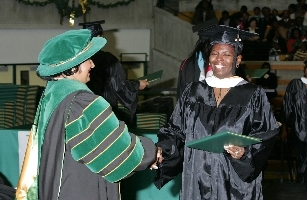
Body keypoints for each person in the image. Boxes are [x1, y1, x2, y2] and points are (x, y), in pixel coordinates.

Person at [15, 29, 160, 200]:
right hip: (79, 188)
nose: (92, 64)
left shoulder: (53, 94)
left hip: (59, 187)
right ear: (71, 66)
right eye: (86, 60)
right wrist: (151, 151)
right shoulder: (81, 102)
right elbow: (115, 152)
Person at [153, 25, 280, 199]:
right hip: (197, 177)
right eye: (214, 53)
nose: (219, 58)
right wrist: (162, 150)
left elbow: (266, 133)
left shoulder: (252, 94)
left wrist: (245, 153)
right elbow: (175, 130)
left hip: (234, 180)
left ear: (238, 60)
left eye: (227, 54)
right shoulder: (193, 92)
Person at [80, 21, 149, 125]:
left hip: (82, 107)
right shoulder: (108, 59)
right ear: (100, 37)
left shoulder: (78, 59)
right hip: (104, 107)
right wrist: (137, 85)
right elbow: (119, 86)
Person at [281, 62, 307, 189]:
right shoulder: (295, 84)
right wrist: (284, 128)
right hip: (298, 130)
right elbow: (287, 107)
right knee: (301, 157)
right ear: (305, 69)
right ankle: (301, 184)